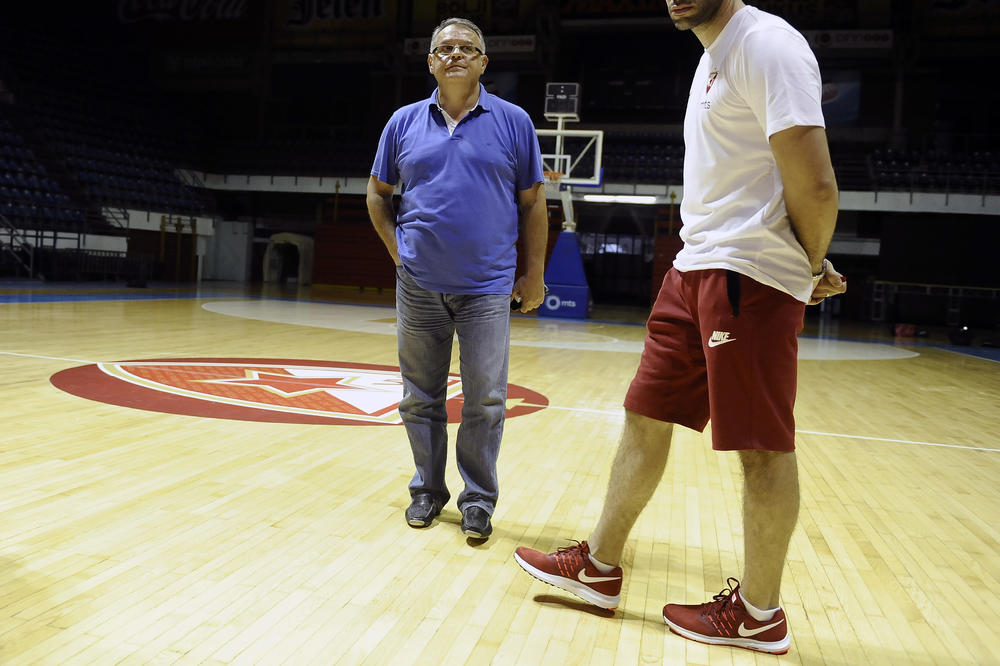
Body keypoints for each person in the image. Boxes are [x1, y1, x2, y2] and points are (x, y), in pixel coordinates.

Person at [513, 0, 846, 654]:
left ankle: (759, 614)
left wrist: (803, 268)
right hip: (696, 265)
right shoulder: (711, 58)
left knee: (760, 447)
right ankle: (600, 567)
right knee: (646, 413)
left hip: (745, 273)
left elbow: (817, 185)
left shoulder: (768, 45)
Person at [367, 17, 548, 540]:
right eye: (444, 48)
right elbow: (377, 194)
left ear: (484, 63)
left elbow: (534, 205)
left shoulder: (513, 122)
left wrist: (532, 272)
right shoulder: (402, 122)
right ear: (430, 62)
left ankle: (478, 500)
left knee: (486, 399)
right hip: (418, 284)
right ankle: (427, 490)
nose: (455, 55)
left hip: (487, 287)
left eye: (467, 48)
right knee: (419, 397)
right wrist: (396, 251)